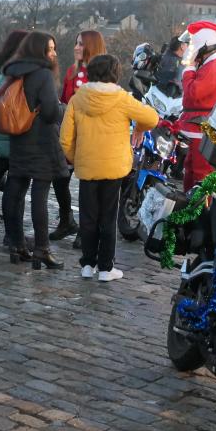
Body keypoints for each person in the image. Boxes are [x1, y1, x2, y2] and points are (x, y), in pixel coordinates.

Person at [60, 54, 158, 281]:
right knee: (108, 217)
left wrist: (78, 158)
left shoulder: (77, 98)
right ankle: (105, 267)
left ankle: (87, 264)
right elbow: (152, 117)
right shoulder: (122, 98)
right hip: (114, 166)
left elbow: (65, 139)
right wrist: (139, 128)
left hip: (87, 166)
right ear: (115, 74)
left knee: (88, 216)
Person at [2, 31, 67, 269]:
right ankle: (42, 249)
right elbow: (50, 112)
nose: (54, 53)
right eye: (50, 49)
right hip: (41, 140)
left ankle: (16, 245)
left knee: (15, 189)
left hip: (19, 137)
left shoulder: (14, 70)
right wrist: (62, 109)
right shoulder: (43, 75)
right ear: (40, 51)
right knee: (40, 194)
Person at [52, 30, 106, 242]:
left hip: (90, 137)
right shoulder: (71, 72)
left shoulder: (102, 76)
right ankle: (66, 220)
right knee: (59, 177)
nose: (76, 47)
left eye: (81, 44)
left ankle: (87, 229)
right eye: (76, 43)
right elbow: (64, 102)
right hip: (70, 135)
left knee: (88, 186)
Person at [176, 21, 216, 191]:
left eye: (193, 43)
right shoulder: (208, 65)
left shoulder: (214, 68)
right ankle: (189, 210)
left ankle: (199, 214)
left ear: (203, 44)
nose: (190, 48)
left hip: (203, 129)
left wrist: (189, 70)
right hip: (197, 127)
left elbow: (193, 94)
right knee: (191, 169)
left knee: (201, 173)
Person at [0, 30, 29, 248]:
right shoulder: (14, 75)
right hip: (14, 138)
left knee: (14, 187)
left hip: (3, 137)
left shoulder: (2, 72)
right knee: (17, 189)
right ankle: (14, 236)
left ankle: (13, 235)